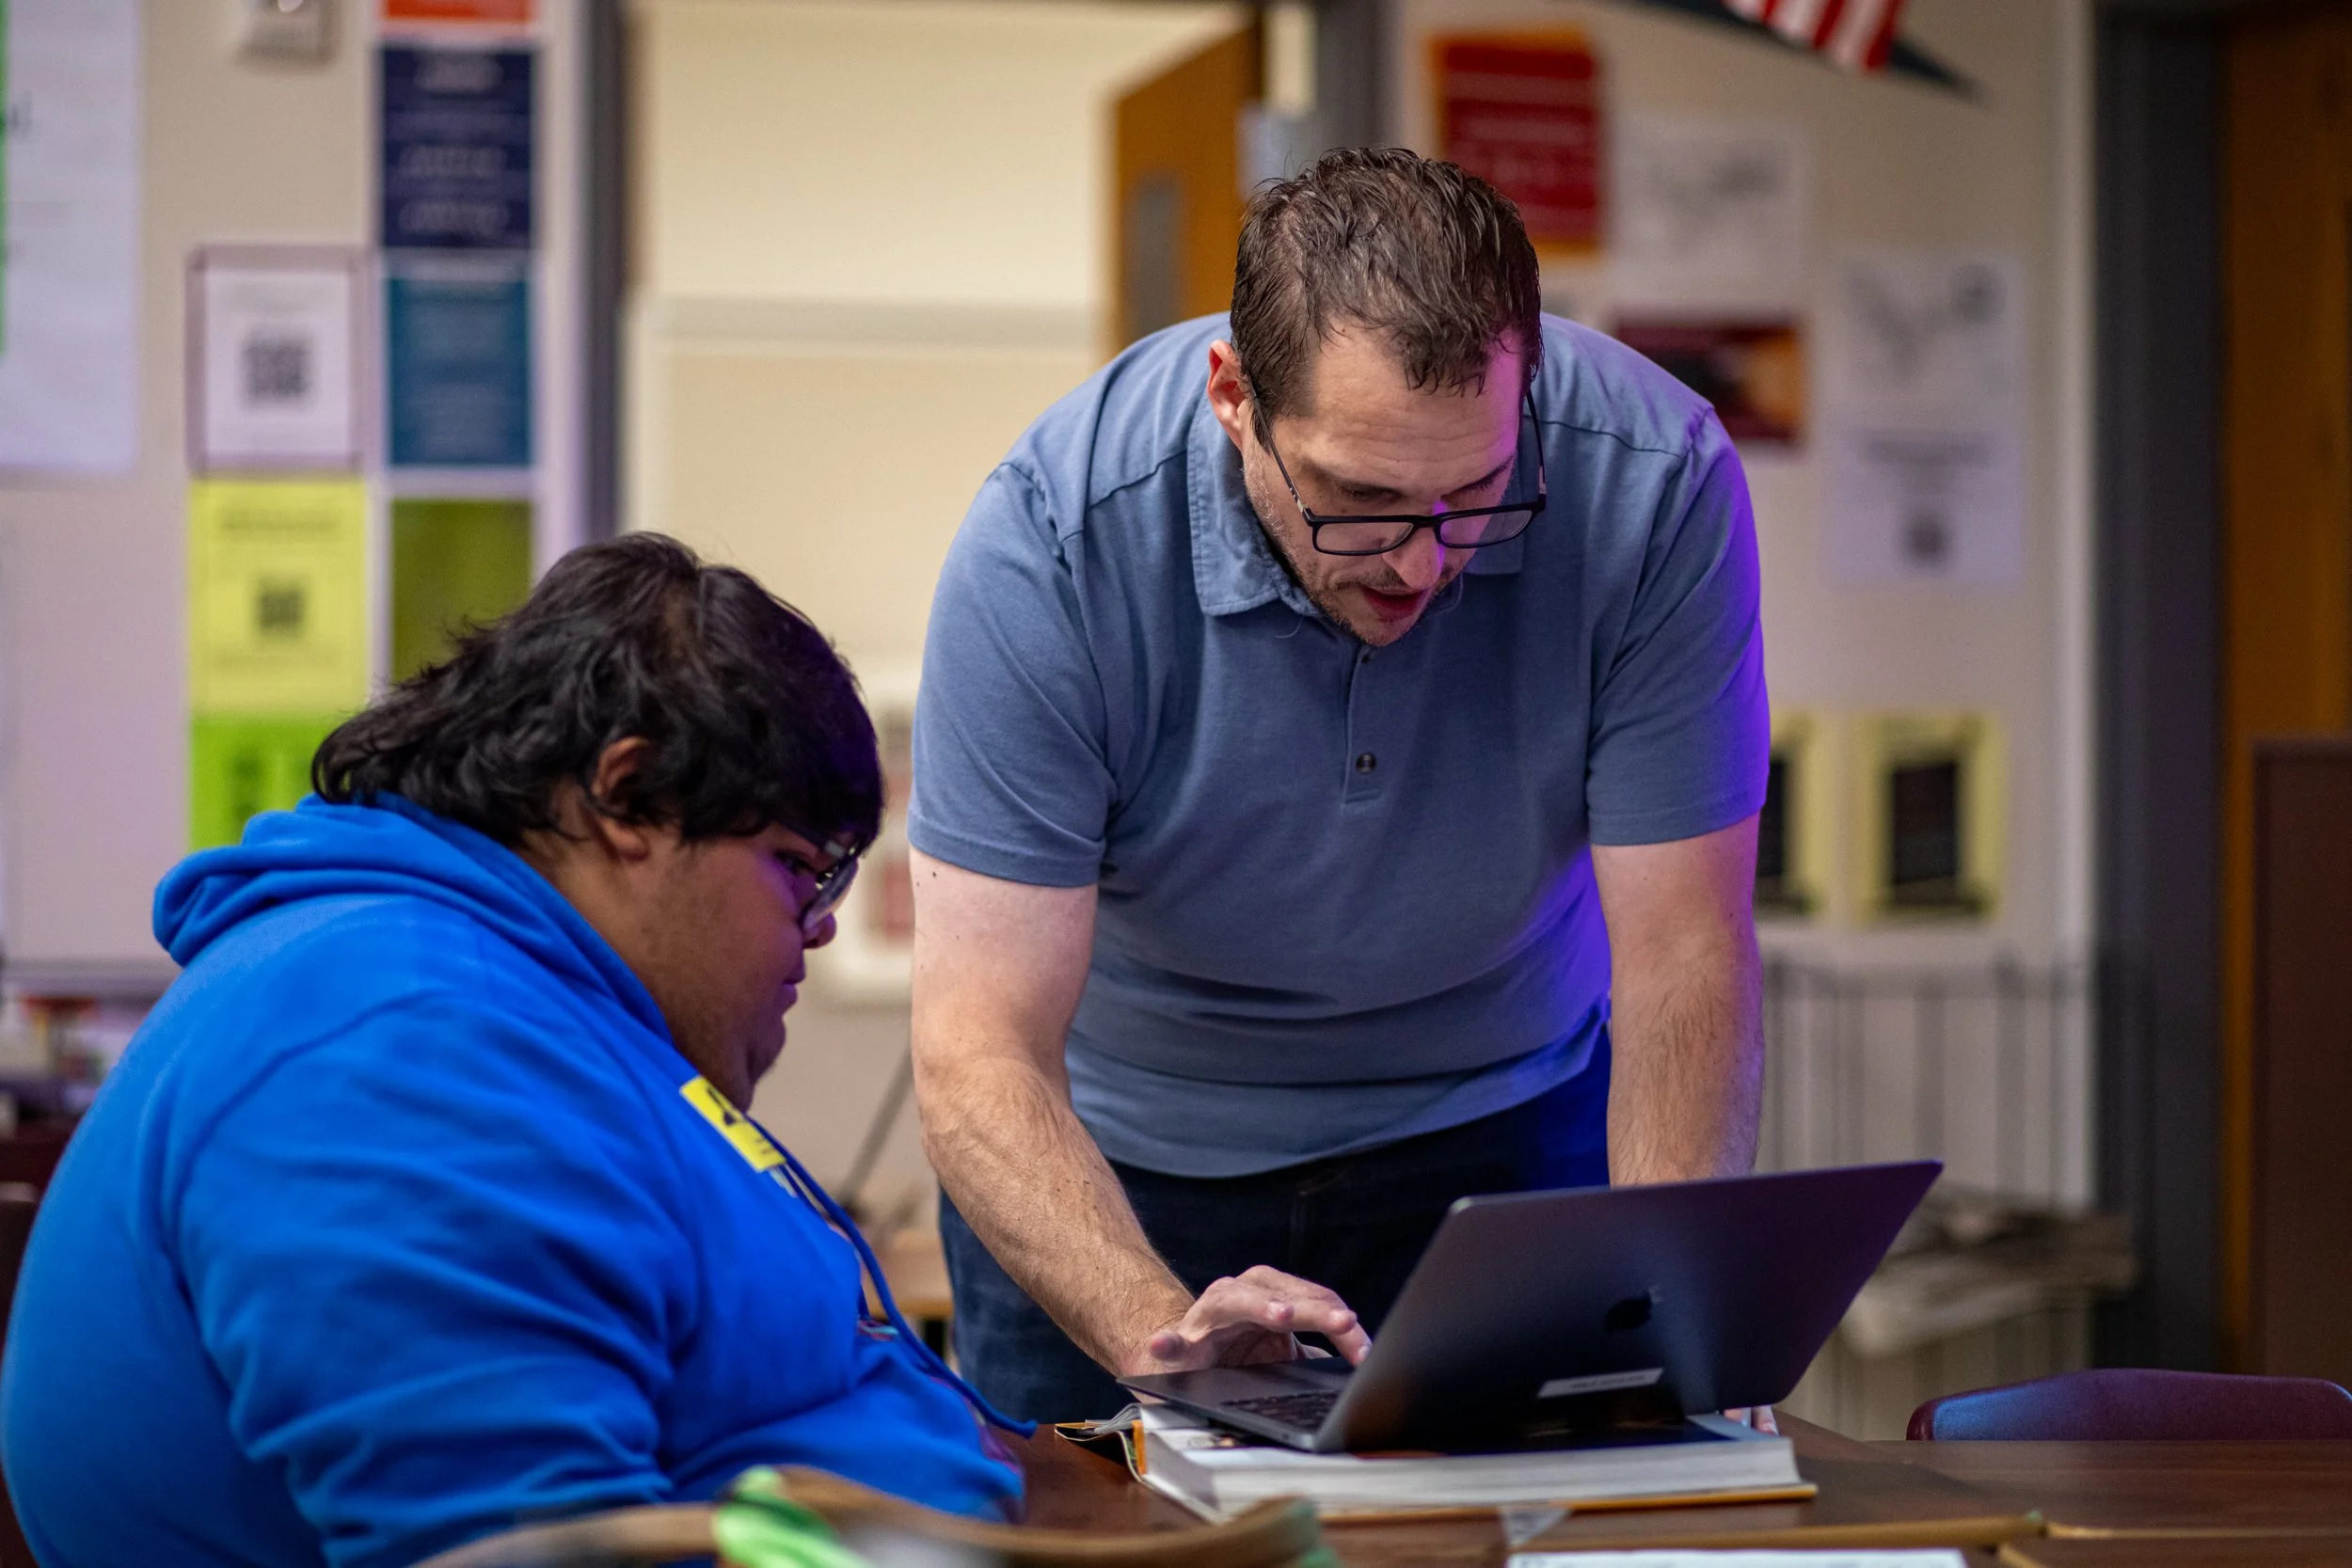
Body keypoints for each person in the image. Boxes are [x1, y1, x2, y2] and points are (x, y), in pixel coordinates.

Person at [909, 148, 1771, 1421]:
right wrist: (1168, 1334)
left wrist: (1668, 1313)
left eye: (1477, 494)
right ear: (1232, 397)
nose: (1423, 564)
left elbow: (1687, 952)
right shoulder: (1056, 539)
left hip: (1502, 1135)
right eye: (1360, 501)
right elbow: (980, 1046)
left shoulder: (1655, 483)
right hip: (1124, 1158)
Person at [0, 535, 1025, 1568]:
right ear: (629, 799)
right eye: (801, 869)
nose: (819, 927)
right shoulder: (394, 1043)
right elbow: (525, 1544)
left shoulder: (523, 1009)